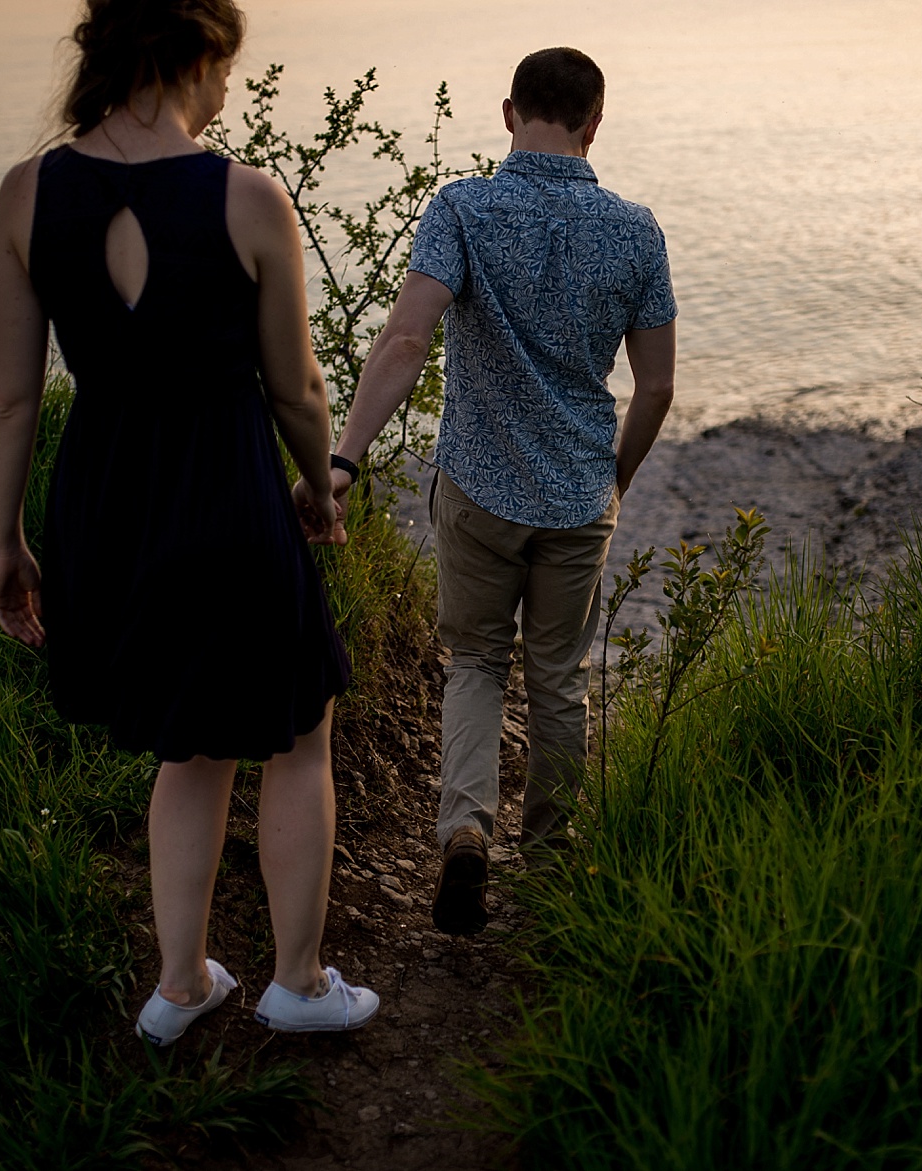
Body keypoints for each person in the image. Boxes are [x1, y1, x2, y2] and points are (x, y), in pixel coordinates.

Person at [0, 0, 377, 1042]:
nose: (229, 91)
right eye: (227, 69)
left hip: (104, 504)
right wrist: (317, 484)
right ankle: (296, 979)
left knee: (186, 744)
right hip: (226, 490)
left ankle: (181, 984)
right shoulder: (249, 197)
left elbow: (10, 399)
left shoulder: (27, 193)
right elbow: (295, 389)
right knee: (294, 730)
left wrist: (6, 540)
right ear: (194, 53)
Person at [299, 46, 677, 934]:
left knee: (473, 663)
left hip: (476, 488)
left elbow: (404, 341)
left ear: (509, 113)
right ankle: (549, 868)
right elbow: (656, 387)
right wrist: (609, 482)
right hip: (580, 496)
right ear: (594, 122)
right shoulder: (636, 231)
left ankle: (465, 831)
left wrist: (343, 461)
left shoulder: (462, 208)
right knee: (558, 679)